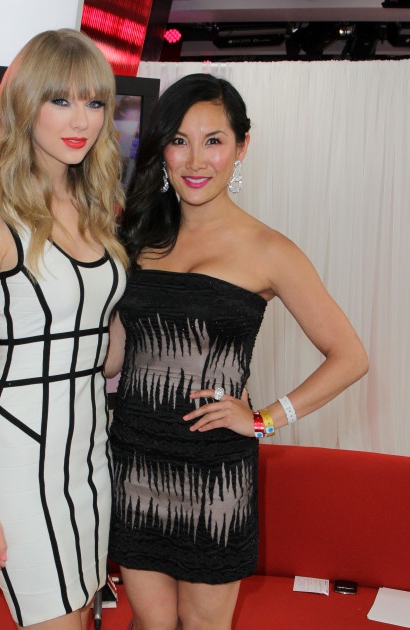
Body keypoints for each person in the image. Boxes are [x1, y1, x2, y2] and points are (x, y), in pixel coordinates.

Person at [104, 73, 368, 630]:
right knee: (150, 624)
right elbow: (114, 357)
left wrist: (264, 420)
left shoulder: (270, 250)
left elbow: (350, 357)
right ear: (163, 149)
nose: (196, 159)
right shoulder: (140, 238)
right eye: (179, 140)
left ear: (242, 146)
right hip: (135, 460)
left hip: (214, 475)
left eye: (214, 141)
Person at [0, 29, 127, 630]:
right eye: (61, 100)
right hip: (19, 455)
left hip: (90, 452)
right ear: (26, 104)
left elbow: (105, 351)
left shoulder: (98, 209)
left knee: (84, 615)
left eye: (94, 102)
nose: (81, 120)